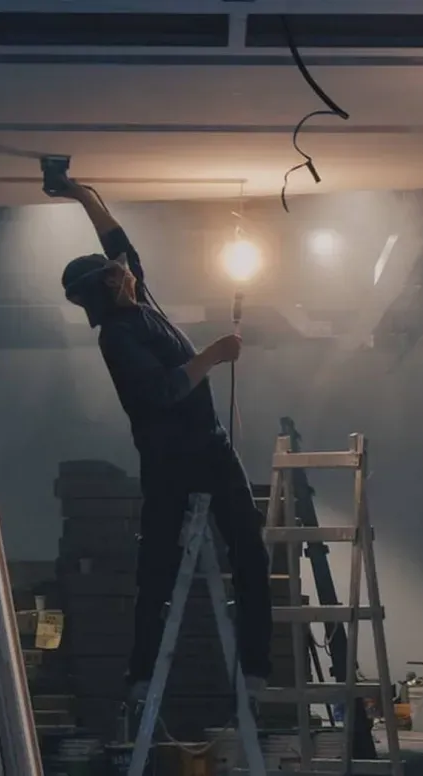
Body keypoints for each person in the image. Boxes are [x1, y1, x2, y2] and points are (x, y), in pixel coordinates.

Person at [52, 178, 272, 703]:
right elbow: (167, 390)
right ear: (108, 287)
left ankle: (257, 668)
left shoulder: (138, 302)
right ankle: (142, 674)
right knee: (158, 572)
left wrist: (83, 195)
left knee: (249, 552)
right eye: (115, 272)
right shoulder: (119, 336)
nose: (124, 268)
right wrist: (215, 354)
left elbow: (118, 242)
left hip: (210, 448)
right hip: (171, 461)